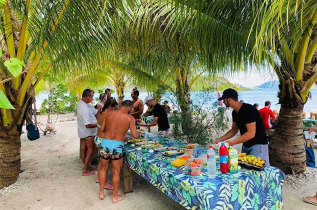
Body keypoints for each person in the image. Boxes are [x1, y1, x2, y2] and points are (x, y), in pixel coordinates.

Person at [97, 100, 140, 202]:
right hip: (117, 145)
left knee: (103, 169)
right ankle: (115, 197)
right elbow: (134, 135)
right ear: (129, 107)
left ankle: (102, 193)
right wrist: (139, 135)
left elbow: (102, 129)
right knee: (116, 172)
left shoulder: (109, 114)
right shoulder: (130, 118)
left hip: (105, 143)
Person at [214, 88, 269, 165]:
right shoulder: (235, 112)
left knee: (258, 171)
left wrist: (232, 142)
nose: (223, 101)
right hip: (246, 145)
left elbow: (251, 133)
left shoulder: (248, 110)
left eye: (224, 99)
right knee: (246, 169)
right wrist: (220, 139)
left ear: (229, 99)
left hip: (258, 145)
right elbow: (234, 130)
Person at [94, 98, 118, 188]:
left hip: (97, 138)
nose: (115, 111)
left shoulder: (101, 113)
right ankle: (104, 183)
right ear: (110, 107)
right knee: (106, 164)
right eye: (115, 108)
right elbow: (105, 129)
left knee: (102, 162)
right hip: (103, 140)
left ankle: (99, 178)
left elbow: (99, 126)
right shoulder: (107, 115)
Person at [77, 89, 98, 176]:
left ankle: (87, 166)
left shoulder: (83, 104)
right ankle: (85, 171)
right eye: (92, 97)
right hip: (88, 132)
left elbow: (95, 112)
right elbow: (88, 125)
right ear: (87, 97)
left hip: (83, 131)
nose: (92, 99)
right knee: (90, 150)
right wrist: (98, 125)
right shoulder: (84, 108)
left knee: (83, 149)